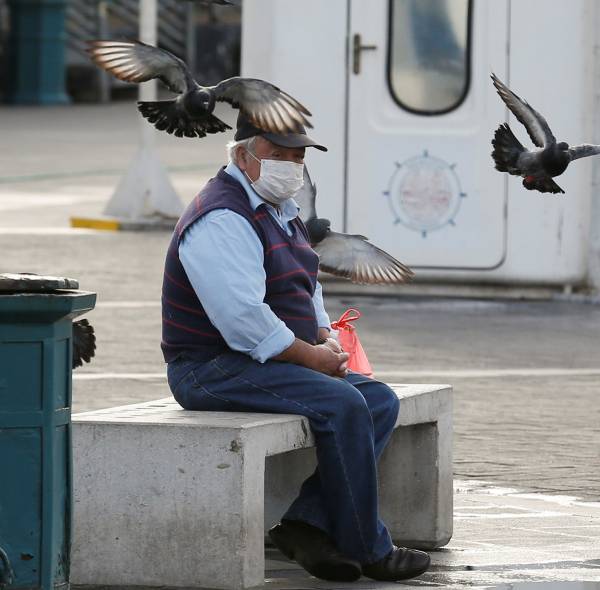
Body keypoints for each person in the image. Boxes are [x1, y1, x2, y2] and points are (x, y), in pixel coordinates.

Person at [161, 114, 430, 582]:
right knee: (344, 404)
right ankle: (369, 549)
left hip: (262, 361)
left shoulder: (278, 209)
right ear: (242, 155)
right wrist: (312, 358)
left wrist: (324, 336)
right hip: (209, 367)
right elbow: (243, 321)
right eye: (277, 154)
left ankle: (305, 527)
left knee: (380, 400)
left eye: (298, 156)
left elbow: (306, 287)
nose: (291, 165)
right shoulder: (222, 216)